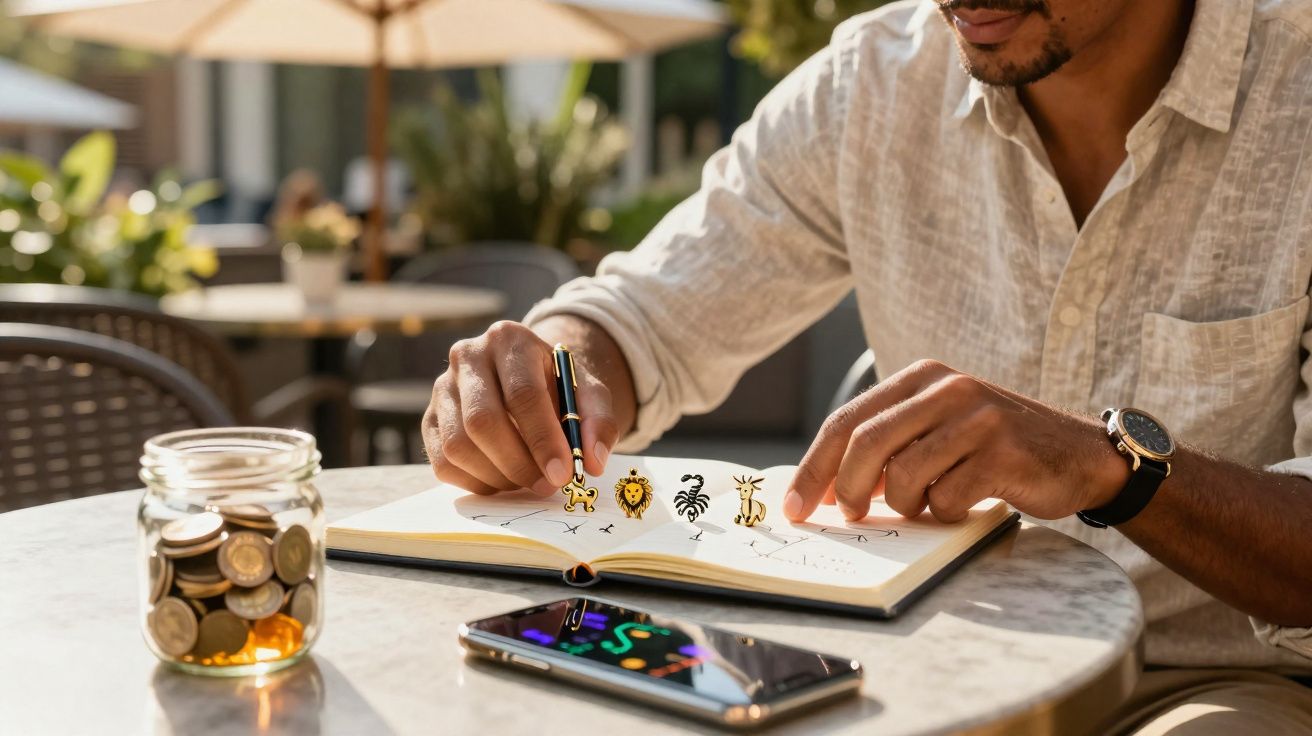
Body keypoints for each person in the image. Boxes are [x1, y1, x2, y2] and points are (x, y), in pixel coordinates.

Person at [422, 0, 1312, 731]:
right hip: (908, 668)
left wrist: (1108, 468)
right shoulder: (872, 85)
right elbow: (643, 318)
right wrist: (547, 372)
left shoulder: (1297, 93)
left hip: (1206, 683)